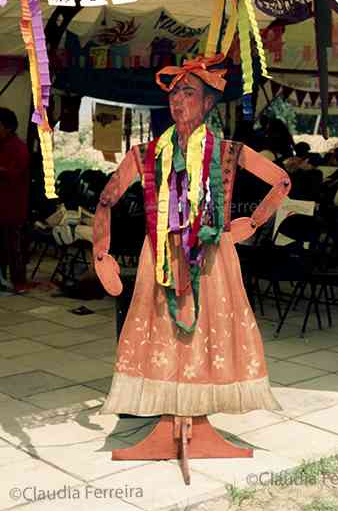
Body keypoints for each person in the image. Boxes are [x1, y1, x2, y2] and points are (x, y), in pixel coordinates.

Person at [93, 54, 291, 417]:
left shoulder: (229, 152)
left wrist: (254, 221)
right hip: (160, 253)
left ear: (208, 102)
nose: (178, 100)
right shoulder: (145, 154)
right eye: (173, 93)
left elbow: (282, 181)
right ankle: (171, 408)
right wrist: (101, 253)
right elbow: (107, 197)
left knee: (208, 328)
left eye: (188, 92)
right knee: (162, 327)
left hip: (213, 254)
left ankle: (196, 412)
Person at [0, 108, 30, 293]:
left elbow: (13, 173)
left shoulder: (19, 148)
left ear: (8, 127)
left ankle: (19, 283)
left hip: (12, 207)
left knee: (13, 248)